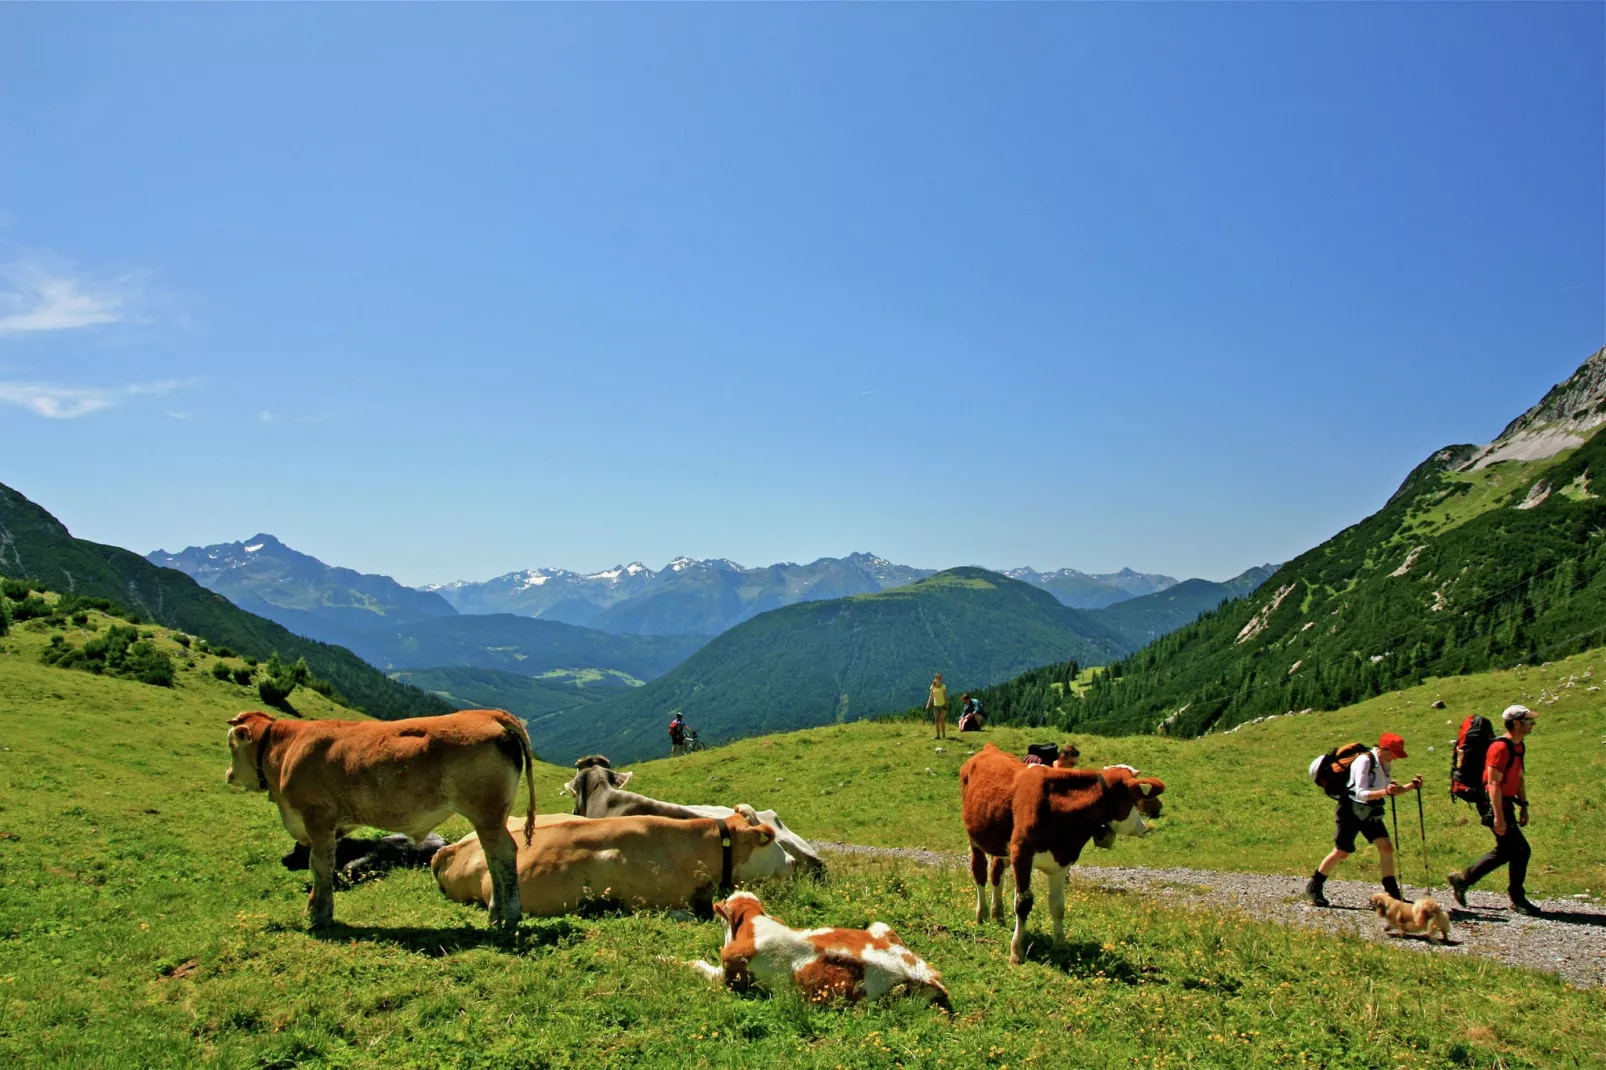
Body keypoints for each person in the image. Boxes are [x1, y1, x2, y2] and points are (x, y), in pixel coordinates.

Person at [1305, 732, 1421, 908]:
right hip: (1350, 810)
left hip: (1370, 810)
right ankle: (1315, 885)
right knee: (1341, 852)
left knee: (1386, 847)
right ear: (1384, 748)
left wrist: (1410, 786)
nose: (1396, 758)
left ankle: (1392, 894)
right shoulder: (1364, 761)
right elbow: (1361, 793)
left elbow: (1385, 789)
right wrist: (1387, 792)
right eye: (1395, 754)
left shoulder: (1384, 762)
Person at [1448, 705, 1542, 916]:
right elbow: (1493, 784)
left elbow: (1518, 777)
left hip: (1505, 802)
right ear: (1516, 723)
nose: (1532, 724)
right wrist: (1498, 816)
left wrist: (1524, 805)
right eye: (1528, 720)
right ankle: (1517, 898)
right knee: (1520, 849)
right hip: (1493, 803)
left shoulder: (1518, 746)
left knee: (1509, 849)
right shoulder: (1500, 748)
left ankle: (1463, 880)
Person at [925, 673, 949, 740]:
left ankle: (943, 734)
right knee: (936, 721)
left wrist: (946, 704)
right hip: (936, 705)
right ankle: (938, 735)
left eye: (939, 678)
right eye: (937, 678)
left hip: (942, 705)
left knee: (942, 719)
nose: (938, 679)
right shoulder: (932, 687)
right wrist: (928, 704)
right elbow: (931, 696)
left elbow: (945, 696)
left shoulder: (943, 686)